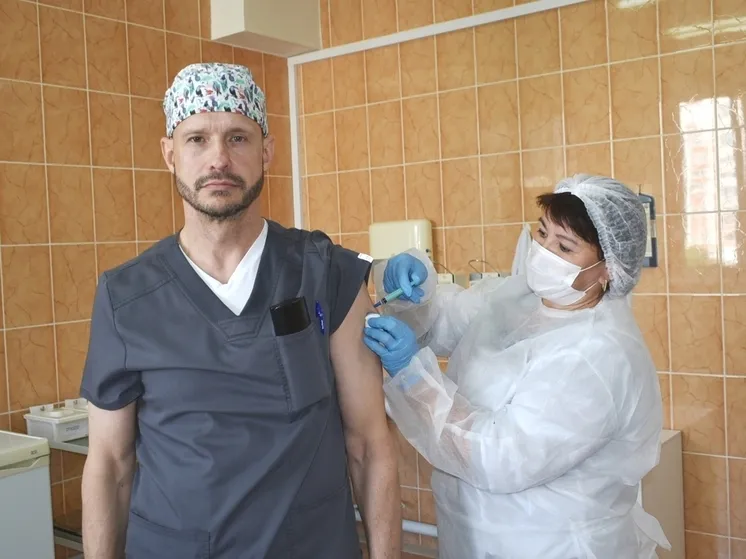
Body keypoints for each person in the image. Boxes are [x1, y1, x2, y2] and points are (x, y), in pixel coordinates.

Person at [79, 62, 401, 559]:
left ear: (266, 151)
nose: (219, 159)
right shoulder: (126, 297)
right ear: (169, 154)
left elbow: (369, 445)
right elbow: (108, 464)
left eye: (237, 138)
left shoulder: (326, 274)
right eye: (197, 139)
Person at [363, 175, 671, 558]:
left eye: (565, 246)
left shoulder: (600, 356)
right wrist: (414, 295)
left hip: (553, 546)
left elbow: (499, 458)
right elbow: (440, 322)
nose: (543, 252)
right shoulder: (517, 295)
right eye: (542, 233)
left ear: (608, 268)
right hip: (473, 536)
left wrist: (414, 376)